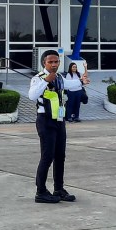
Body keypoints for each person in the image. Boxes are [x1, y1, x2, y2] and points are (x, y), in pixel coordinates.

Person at [29, 50, 75, 204]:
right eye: (51, 62)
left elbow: (70, 85)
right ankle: (40, 191)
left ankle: (59, 189)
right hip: (45, 120)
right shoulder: (38, 78)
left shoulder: (60, 78)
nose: (54, 65)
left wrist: (82, 81)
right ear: (44, 63)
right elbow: (32, 95)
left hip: (59, 120)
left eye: (56, 62)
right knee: (47, 156)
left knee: (60, 156)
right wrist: (46, 81)